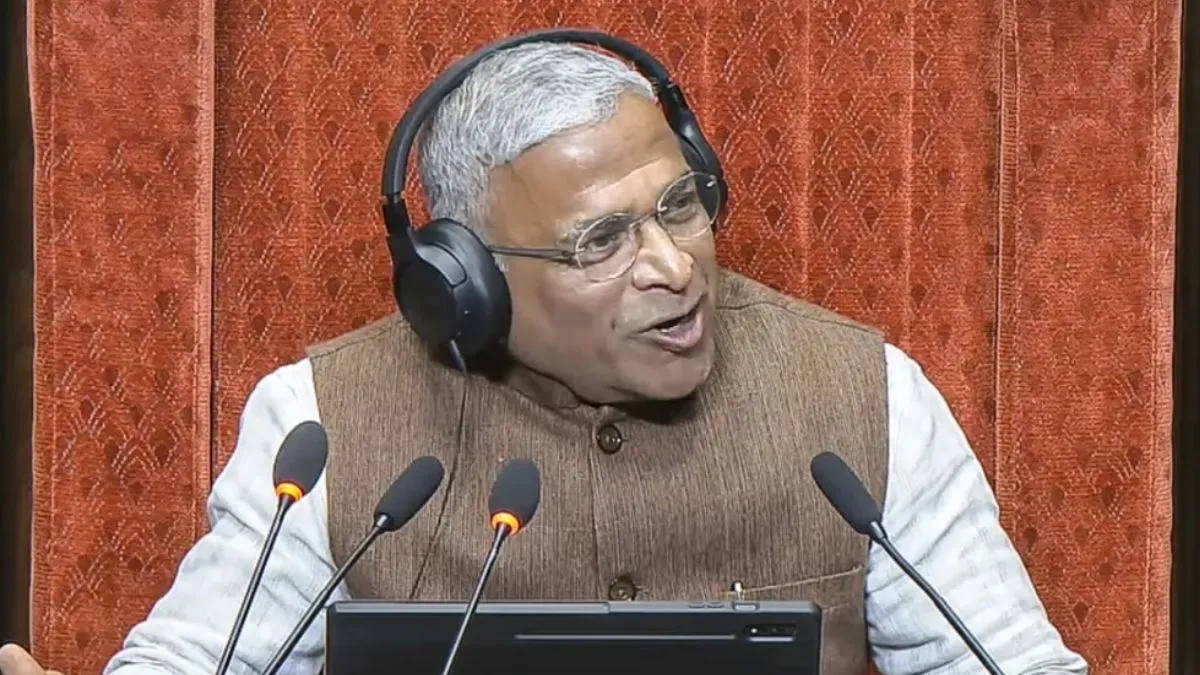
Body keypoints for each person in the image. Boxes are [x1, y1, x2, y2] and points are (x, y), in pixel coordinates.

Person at [1, 33, 1089, 675]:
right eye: (600, 241)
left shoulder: (864, 397)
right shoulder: (322, 424)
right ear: (464, 282)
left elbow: (1007, 659)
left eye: (680, 204)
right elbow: (201, 656)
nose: (673, 266)